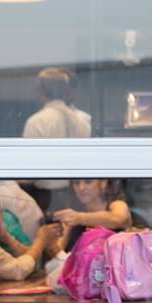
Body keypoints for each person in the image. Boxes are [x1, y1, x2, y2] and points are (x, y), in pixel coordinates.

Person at [22, 68, 91, 213]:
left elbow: (28, 171)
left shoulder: (37, 122)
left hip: (45, 199)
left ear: (40, 90)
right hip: (77, 196)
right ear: (66, 91)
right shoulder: (83, 122)